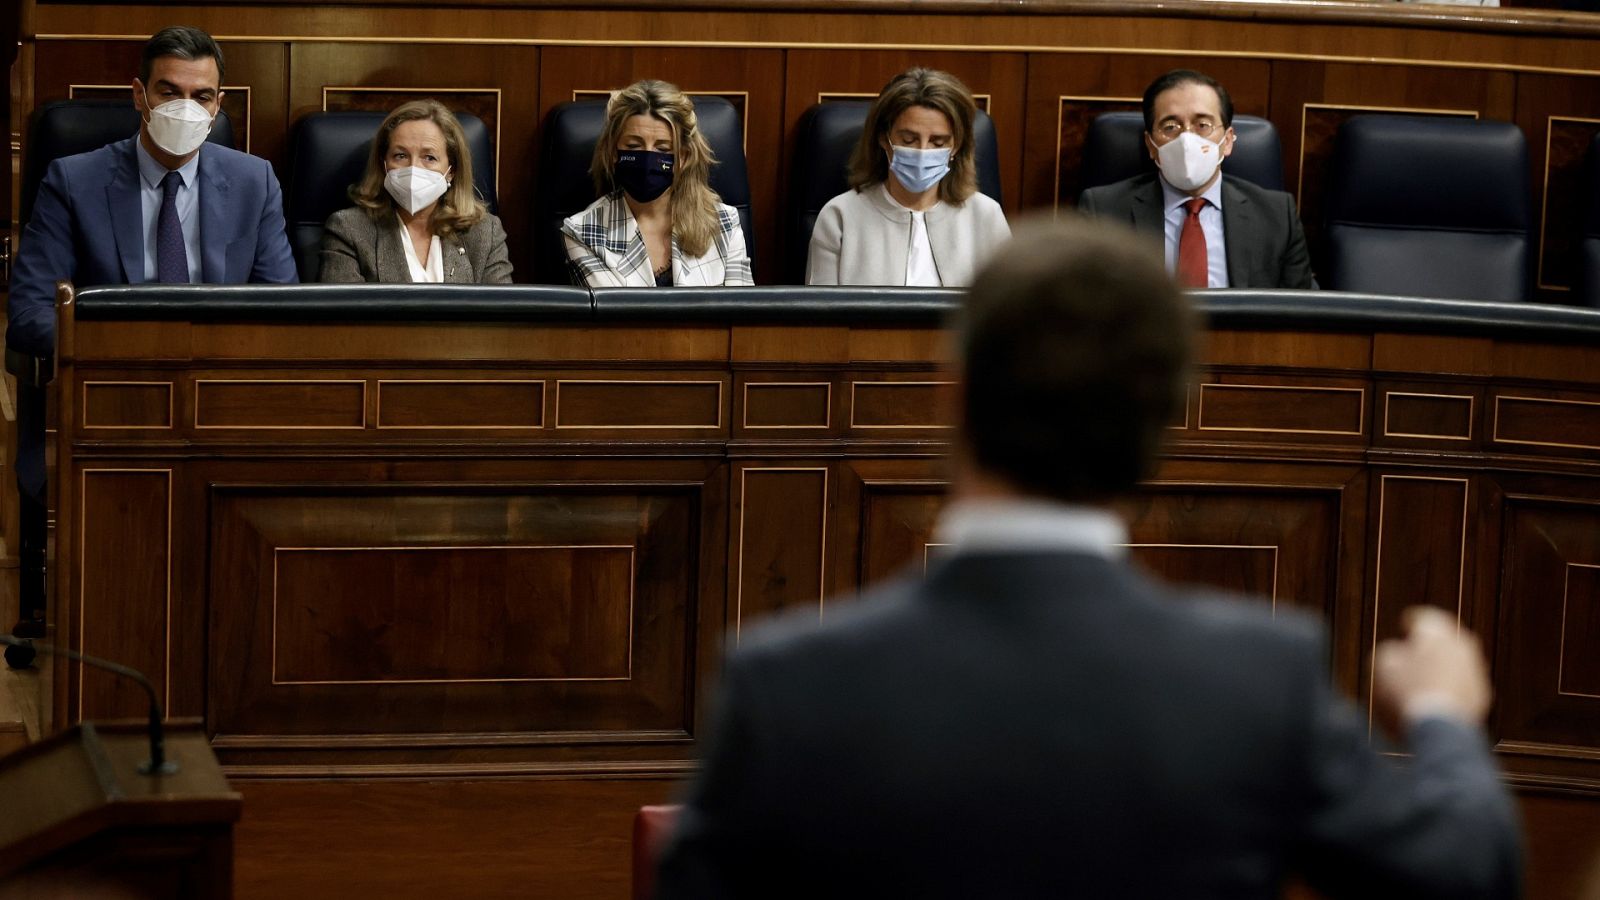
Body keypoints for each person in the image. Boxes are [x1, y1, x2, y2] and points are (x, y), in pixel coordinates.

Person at [656, 219, 1520, 899]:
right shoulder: (1261, 679)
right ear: (1168, 417)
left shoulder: (788, 685)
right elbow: (1464, 872)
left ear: (950, 391)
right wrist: (1442, 713)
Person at [5, 25, 297, 654]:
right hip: (113, 404)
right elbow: (29, 312)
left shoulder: (255, 182)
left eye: (203, 96)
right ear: (138, 95)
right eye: (170, 91)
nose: (186, 108)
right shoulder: (73, 179)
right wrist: (130, 353)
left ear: (220, 106)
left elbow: (282, 310)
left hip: (222, 407)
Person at [1079, 69, 1316, 290]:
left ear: (1228, 140)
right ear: (1150, 145)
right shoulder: (1104, 212)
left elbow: (1302, 315)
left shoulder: (1276, 216)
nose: (1187, 139)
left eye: (1203, 125)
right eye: (1170, 126)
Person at [806, 67, 1010, 287]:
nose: (922, 151)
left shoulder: (986, 216)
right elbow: (822, 316)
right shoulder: (840, 216)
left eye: (938, 142)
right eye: (909, 140)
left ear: (957, 146)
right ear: (884, 138)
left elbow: (1006, 311)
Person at [561, 80, 752, 287]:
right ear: (613, 152)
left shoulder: (724, 224)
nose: (647, 158)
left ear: (684, 157)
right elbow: (620, 316)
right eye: (634, 145)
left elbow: (740, 314)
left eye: (662, 149)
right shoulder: (583, 232)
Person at [319, 99, 511, 284]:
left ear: (451, 171)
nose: (413, 168)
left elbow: (502, 314)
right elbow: (346, 314)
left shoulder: (485, 232)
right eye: (400, 155)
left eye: (429, 157)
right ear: (383, 164)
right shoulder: (349, 229)